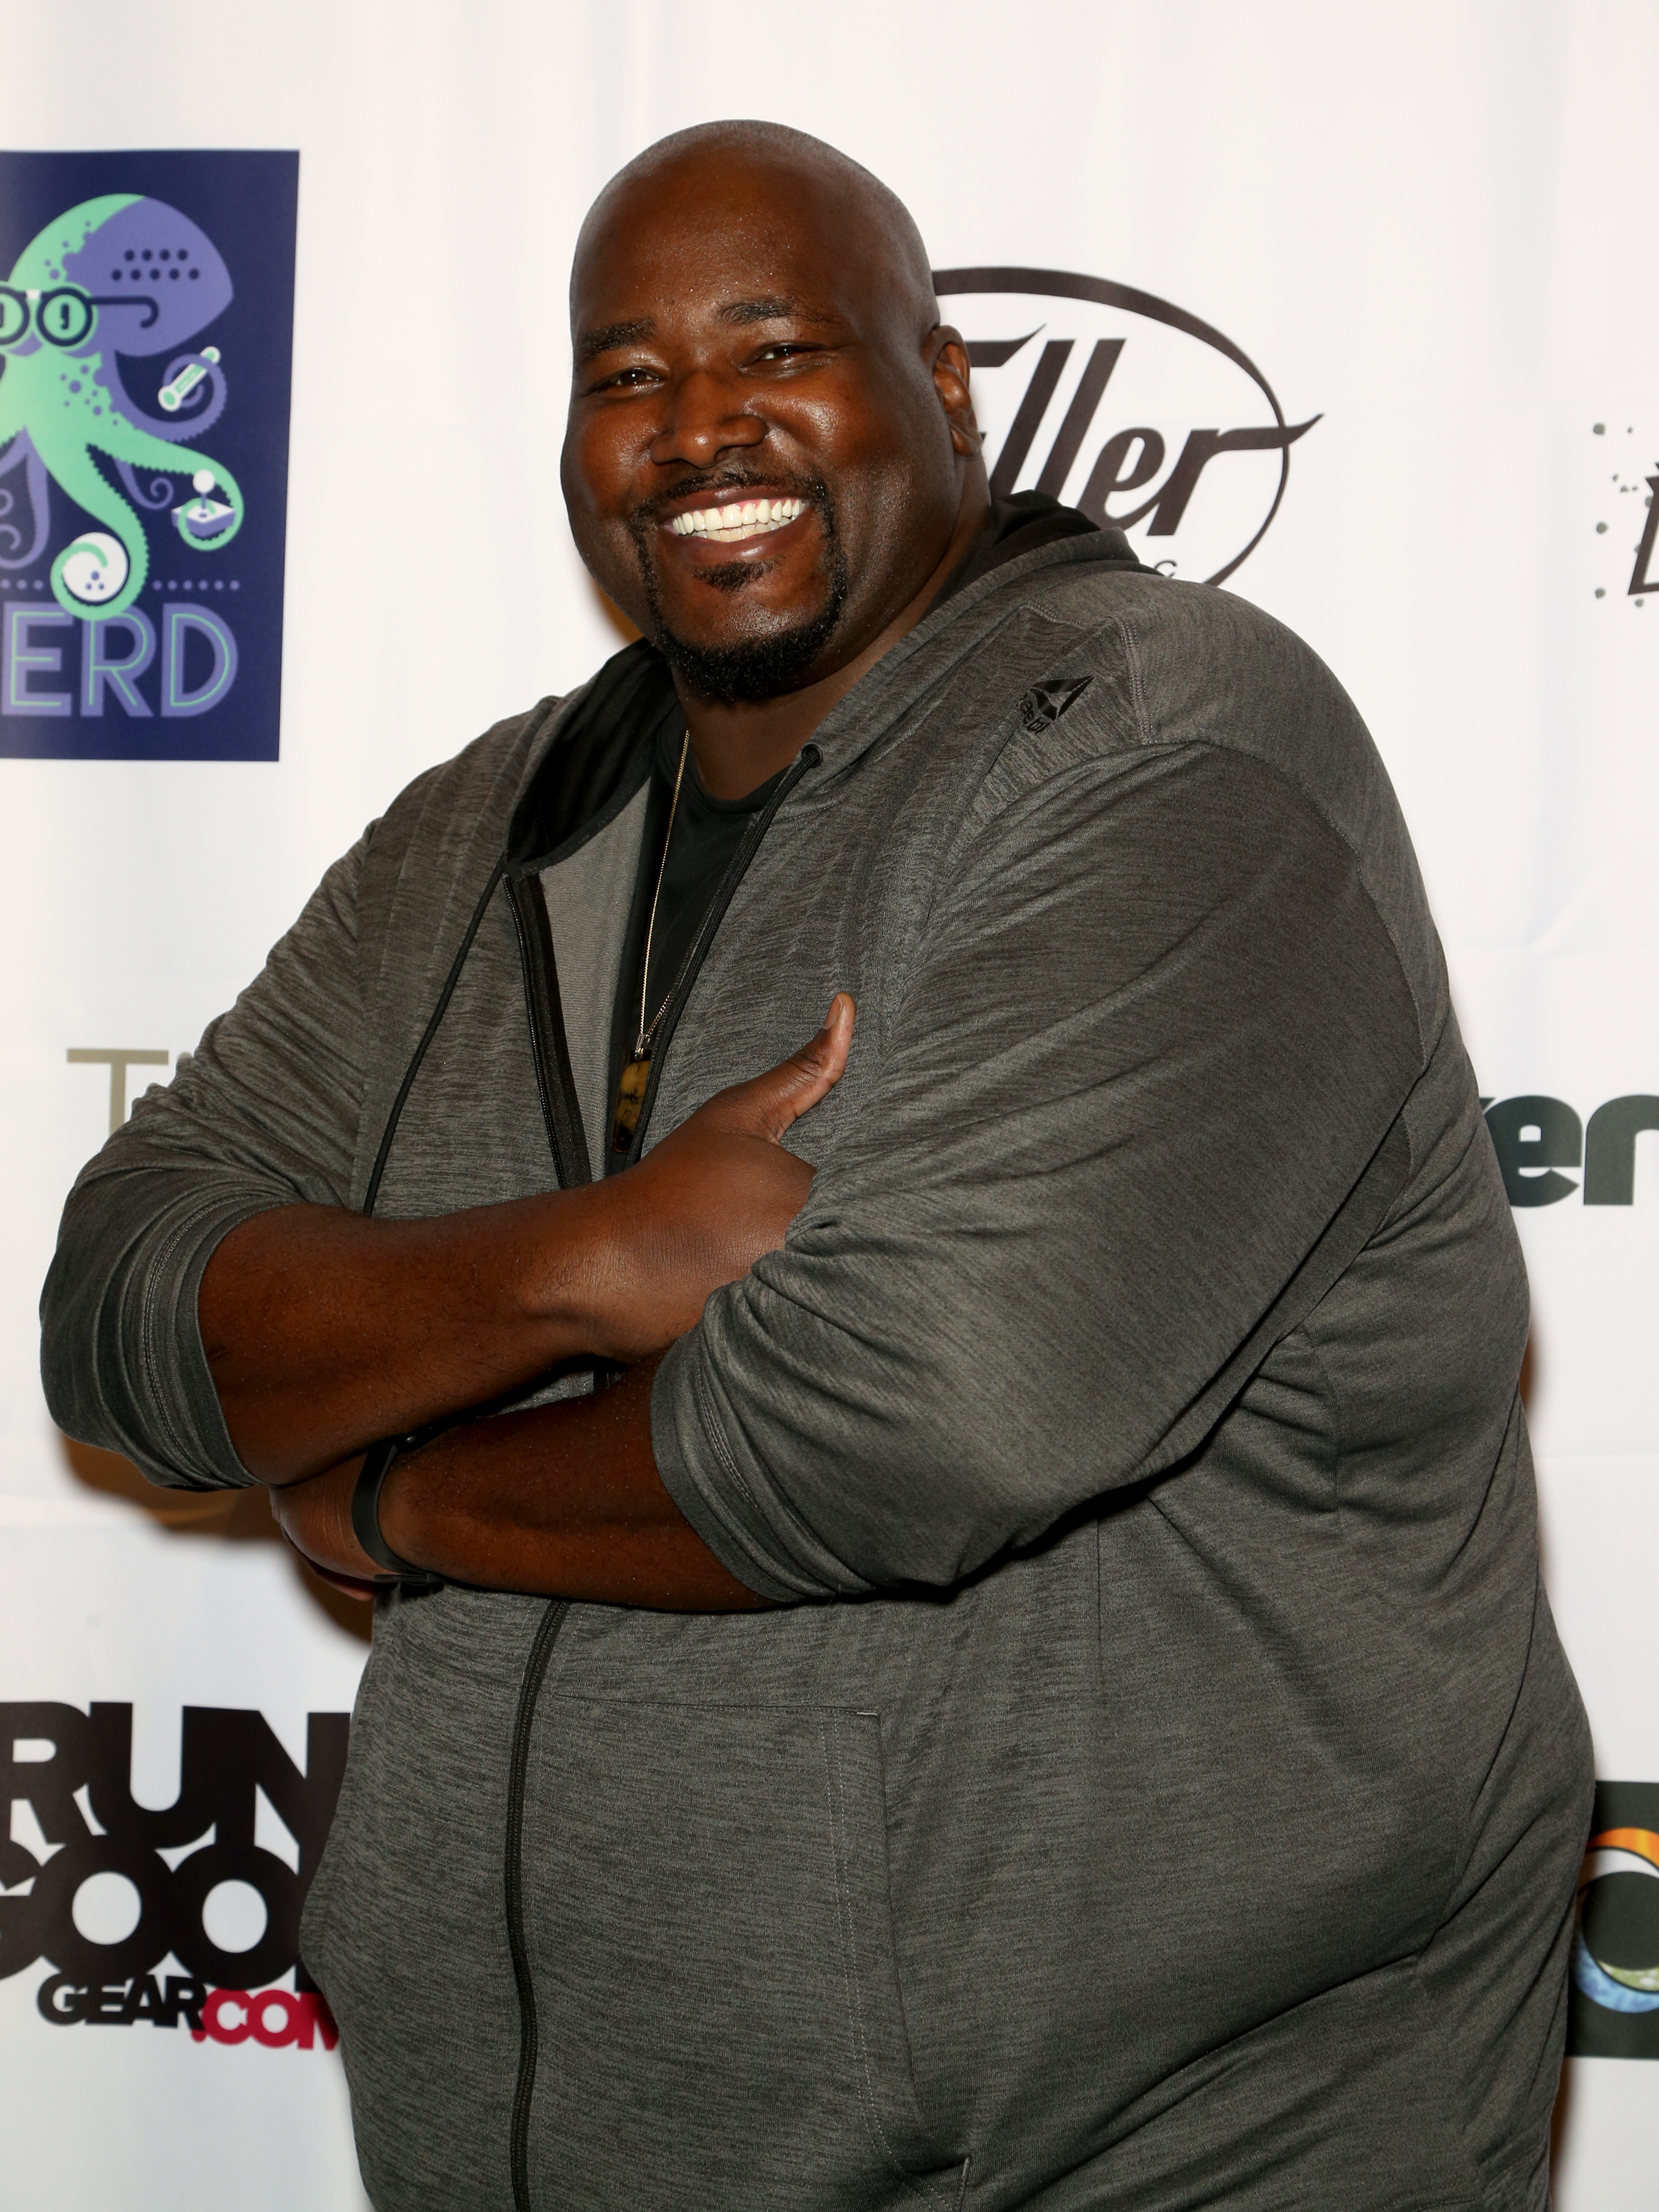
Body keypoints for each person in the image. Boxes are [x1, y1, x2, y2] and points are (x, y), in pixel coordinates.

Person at [43, 120, 1592, 2212]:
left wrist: (397, 1491)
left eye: (777, 346)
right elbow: (125, 1307)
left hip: (1145, 2134)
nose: (700, 428)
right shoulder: (485, 825)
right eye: (627, 374)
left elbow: (927, 1410)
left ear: (945, 388)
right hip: (537, 2137)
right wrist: (596, 1259)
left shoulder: (1168, 743)